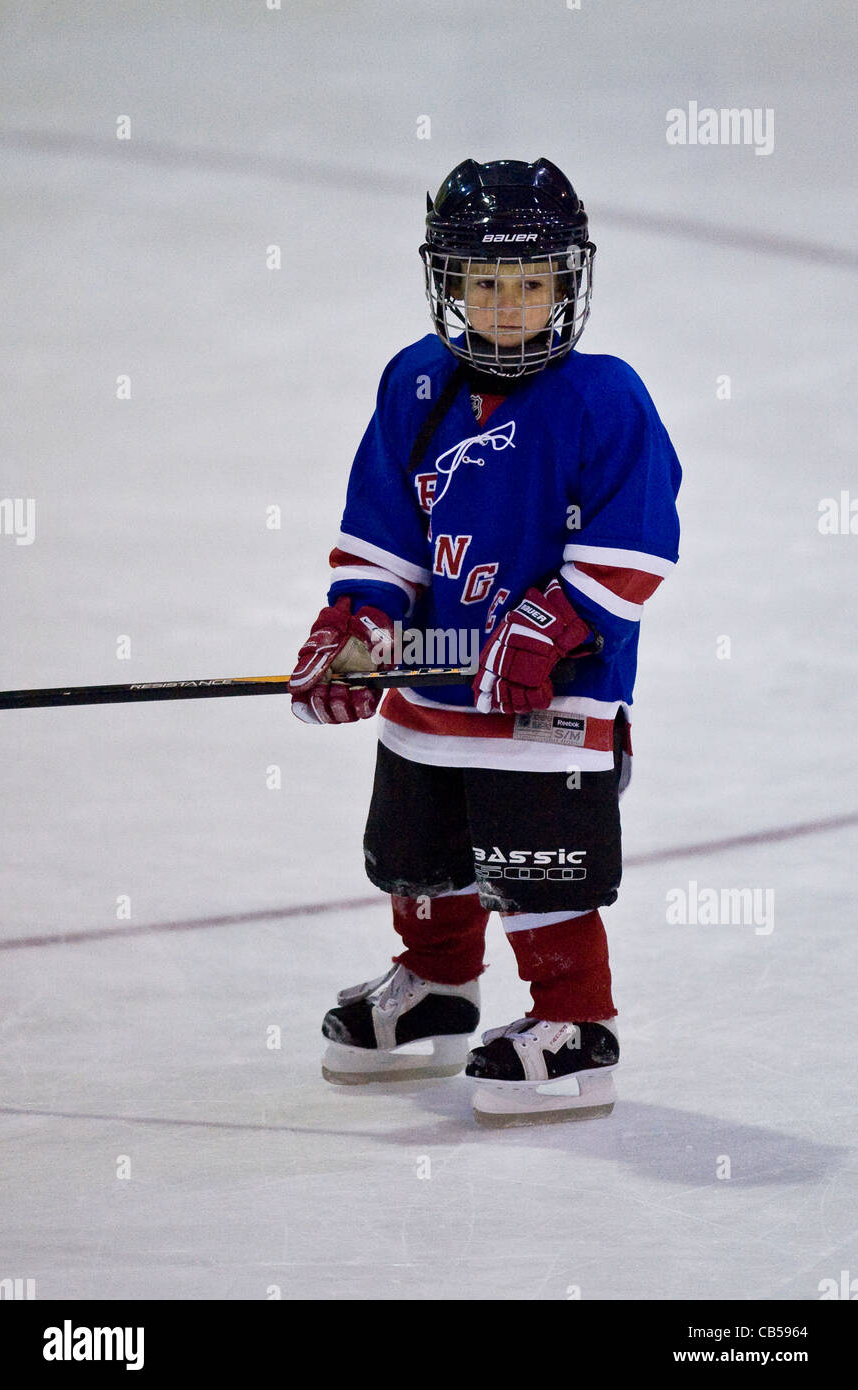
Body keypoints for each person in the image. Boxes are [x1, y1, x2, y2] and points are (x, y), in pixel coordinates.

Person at [289, 157, 681, 1125]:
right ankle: (436, 985)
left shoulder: (604, 397)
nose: (509, 306)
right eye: (487, 284)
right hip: (435, 689)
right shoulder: (416, 387)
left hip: (549, 696)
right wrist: (361, 623)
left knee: (534, 854)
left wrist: (560, 615)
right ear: (451, 284)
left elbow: (638, 533)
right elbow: (384, 531)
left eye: (531, 283)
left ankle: (574, 1023)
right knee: (419, 844)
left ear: (565, 283)